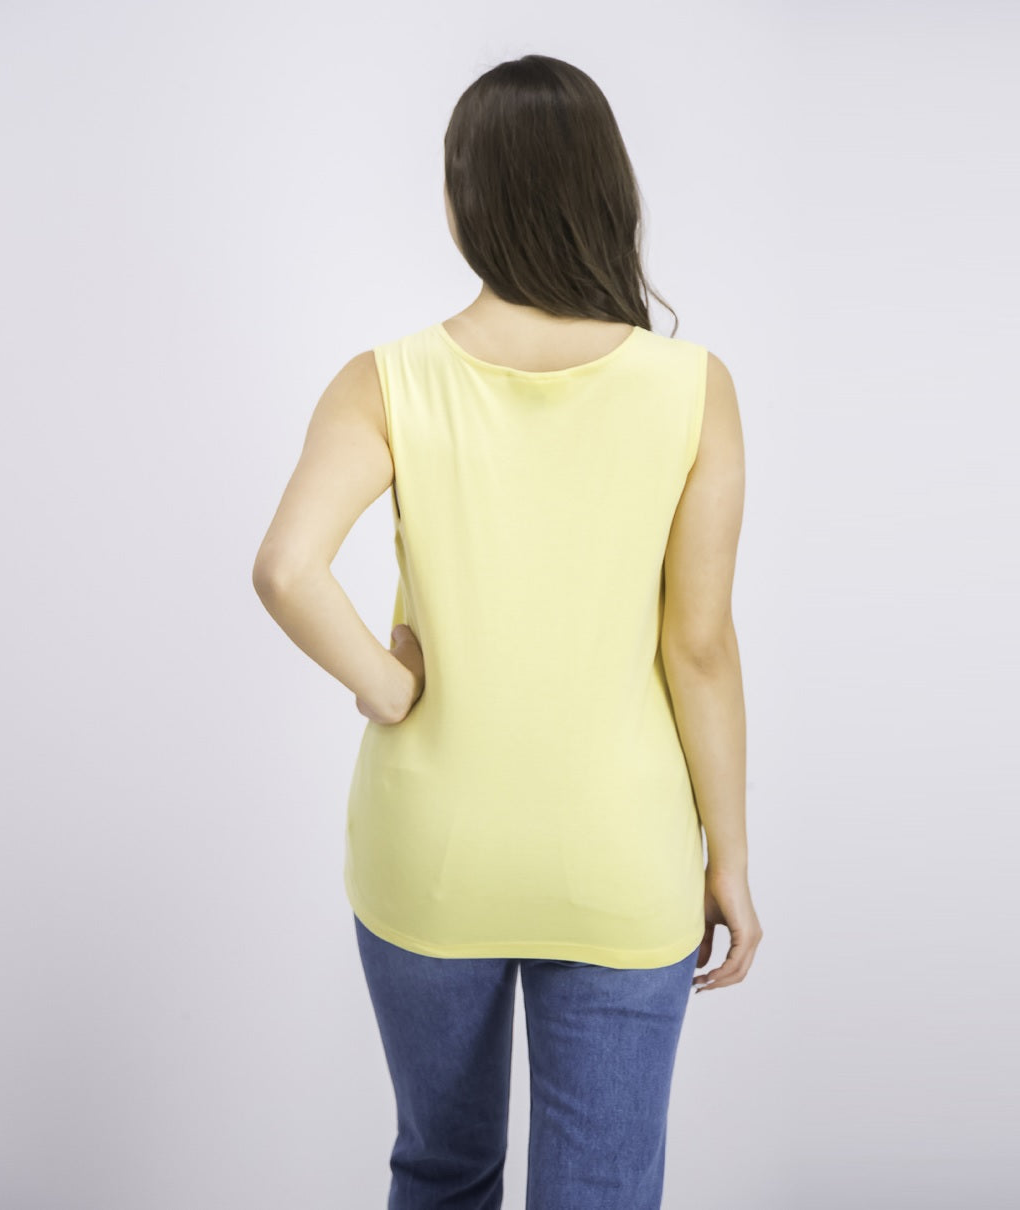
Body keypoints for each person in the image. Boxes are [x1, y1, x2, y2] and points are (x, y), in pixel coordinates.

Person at [253, 53, 760, 1210]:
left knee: (440, 1169)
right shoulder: (692, 387)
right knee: (602, 1190)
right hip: (622, 855)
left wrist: (389, 688)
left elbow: (286, 567)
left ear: (461, 199)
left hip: (431, 850)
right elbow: (698, 646)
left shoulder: (386, 381)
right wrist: (727, 858)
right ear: (607, 190)